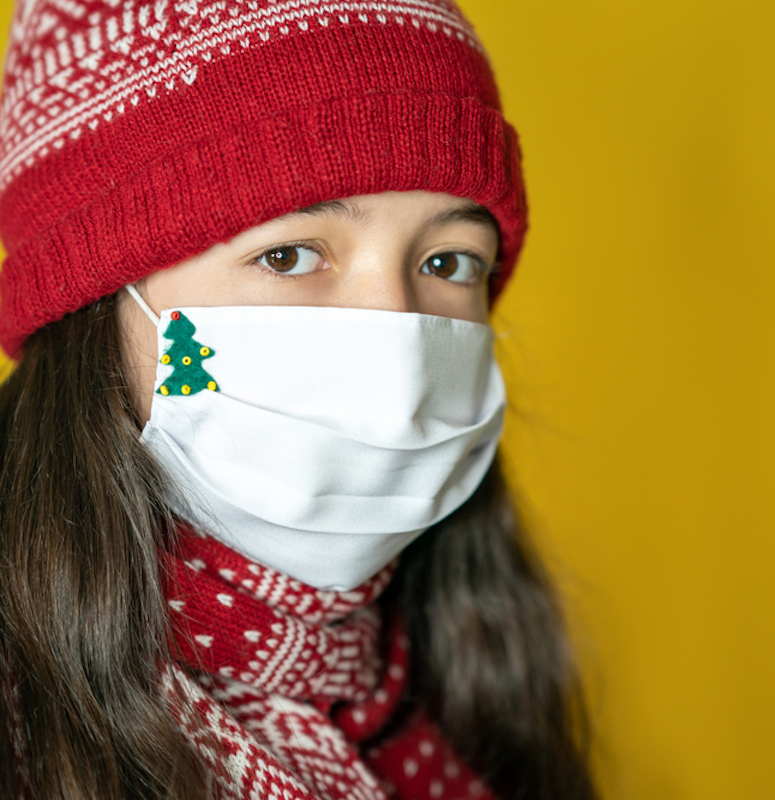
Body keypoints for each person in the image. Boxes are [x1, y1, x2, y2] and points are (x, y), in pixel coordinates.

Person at [0, 2, 597, 799]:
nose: (398, 335)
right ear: (89, 304)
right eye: (287, 254)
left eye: (451, 262)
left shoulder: (474, 700)